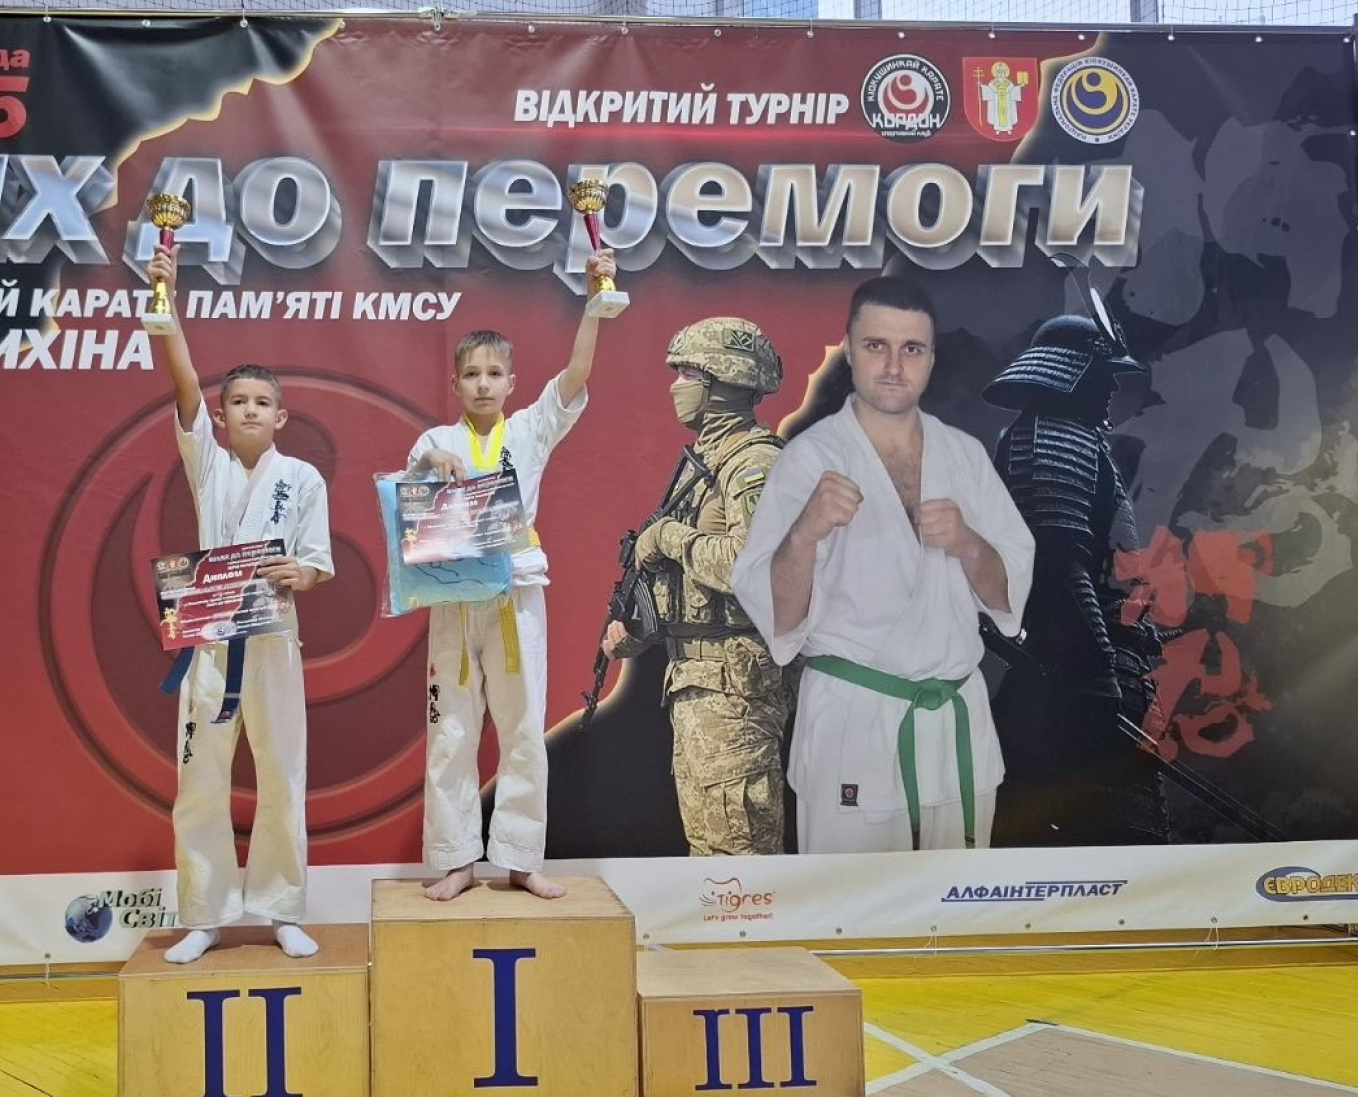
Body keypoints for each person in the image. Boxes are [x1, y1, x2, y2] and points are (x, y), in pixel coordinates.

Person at [731, 276, 1034, 854]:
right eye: (877, 346)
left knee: (957, 901)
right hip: (854, 723)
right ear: (849, 349)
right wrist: (805, 532)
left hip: (955, 724)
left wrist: (969, 543)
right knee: (850, 900)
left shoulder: (964, 456)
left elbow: (1006, 599)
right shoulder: (810, 460)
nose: (894, 366)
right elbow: (781, 621)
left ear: (931, 358)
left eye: (911, 349)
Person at [410, 249, 616, 900]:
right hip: (453, 598)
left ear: (511, 382)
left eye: (494, 373)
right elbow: (409, 492)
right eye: (471, 373)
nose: (482, 384)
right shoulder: (435, 440)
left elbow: (576, 375)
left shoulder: (529, 429)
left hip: (515, 593)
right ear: (455, 383)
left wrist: (594, 303)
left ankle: (522, 858)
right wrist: (433, 462)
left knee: (524, 725)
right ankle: (456, 859)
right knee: (451, 731)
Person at [147, 244, 333, 961]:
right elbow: (183, 384)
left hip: (274, 639)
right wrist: (166, 306)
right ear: (219, 417)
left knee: (283, 772)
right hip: (208, 642)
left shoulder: (304, 478)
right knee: (201, 776)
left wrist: (300, 573)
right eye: (237, 402)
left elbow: (318, 563)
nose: (249, 409)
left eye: (262, 402)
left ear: (281, 416)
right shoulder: (209, 468)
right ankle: (205, 912)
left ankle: (282, 907)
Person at [602, 317, 794, 855]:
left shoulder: (756, 465)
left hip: (736, 690)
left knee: (742, 855)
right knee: (709, 852)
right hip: (696, 681)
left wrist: (670, 537)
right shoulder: (703, 464)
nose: (676, 386)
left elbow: (752, 568)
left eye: (687, 374)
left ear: (722, 380)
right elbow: (689, 588)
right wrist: (636, 632)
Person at [984, 308, 1167, 846]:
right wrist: (1097, 672)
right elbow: (1059, 562)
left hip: (1076, 659)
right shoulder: (1054, 439)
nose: (1112, 387)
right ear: (1070, 372)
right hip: (1073, 666)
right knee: (1110, 840)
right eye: (1102, 374)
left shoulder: (1068, 438)